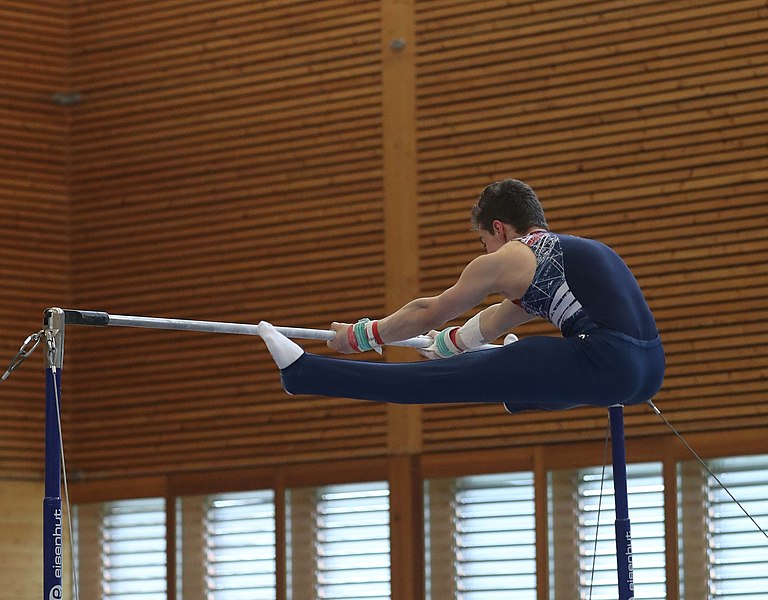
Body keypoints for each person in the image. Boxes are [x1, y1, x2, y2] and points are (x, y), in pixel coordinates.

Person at [257, 179, 664, 412]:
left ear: (500, 229)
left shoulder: (512, 256)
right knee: (500, 365)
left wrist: (362, 336)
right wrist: (447, 347)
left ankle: (302, 373)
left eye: (485, 238)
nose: (487, 249)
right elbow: (493, 321)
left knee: (438, 383)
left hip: (607, 362)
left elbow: (429, 311)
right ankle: (517, 392)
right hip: (647, 375)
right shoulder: (566, 258)